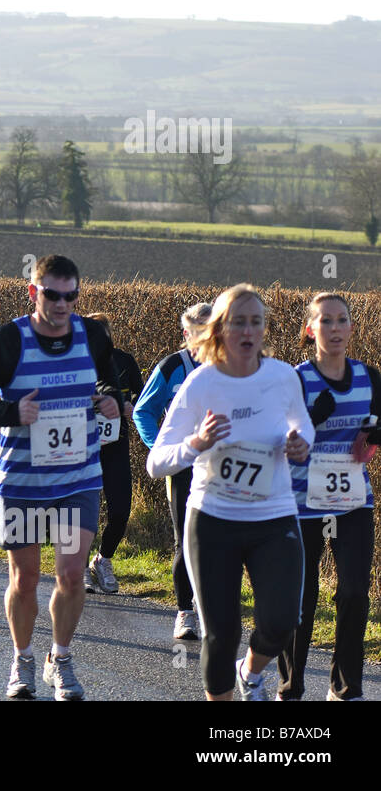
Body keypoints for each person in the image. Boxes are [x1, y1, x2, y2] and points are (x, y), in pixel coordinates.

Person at [0, 254, 123, 701]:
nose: (62, 303)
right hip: (25, 481)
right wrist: (11, 412)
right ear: (33, 292)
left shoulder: (91, 334)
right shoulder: (10, 339)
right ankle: (23, 658)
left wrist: (110, 398)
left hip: (79, 477)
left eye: (71, 296)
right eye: (52, 294)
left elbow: (110, 377)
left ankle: (62, 658)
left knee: (72, 575)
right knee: (26, 578)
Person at [147, 283, 312, 702]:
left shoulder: (283, 376)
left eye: (256, 321)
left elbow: (303, 423)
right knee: (221, 634)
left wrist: (300, 443)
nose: (248, 330)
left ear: (264, 330)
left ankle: (251, 671)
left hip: (273, 517)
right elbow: (157, 462)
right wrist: (196, 444)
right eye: (238, 321)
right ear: (220, 328)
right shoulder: (201, 383)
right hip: (213, 519)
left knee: (280, 621)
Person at [277, 293, 380, 701]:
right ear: (310, 330)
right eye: (326, 321)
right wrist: (309, 424)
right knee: (301, 596)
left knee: (354, 592)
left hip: (353, 501)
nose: (335, 329)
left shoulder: (370, 376)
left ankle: (345, 686)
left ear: (352, 327)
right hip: (301, 503)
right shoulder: (294, 380)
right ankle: (291, 685)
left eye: (342, 320)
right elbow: (272, 437)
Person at [132, 302, 212, 640]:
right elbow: (142, 411)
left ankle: (211, 607)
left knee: (218, 540)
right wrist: (161, 451)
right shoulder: (172, 367)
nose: (204, 340)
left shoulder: (231, 368)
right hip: (183, 468)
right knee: (187, 539)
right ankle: (184, 612)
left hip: (220, 467)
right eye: (197, 333)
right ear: (186, 335)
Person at [81, 313, 144, 594]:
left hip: (115, 445)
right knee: (85, 513)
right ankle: (80, 566)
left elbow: (143, 401)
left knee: (120, 510)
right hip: (81, 449)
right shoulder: (76, 365)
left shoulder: (124, 362)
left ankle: (102, 560)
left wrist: (131, 406)